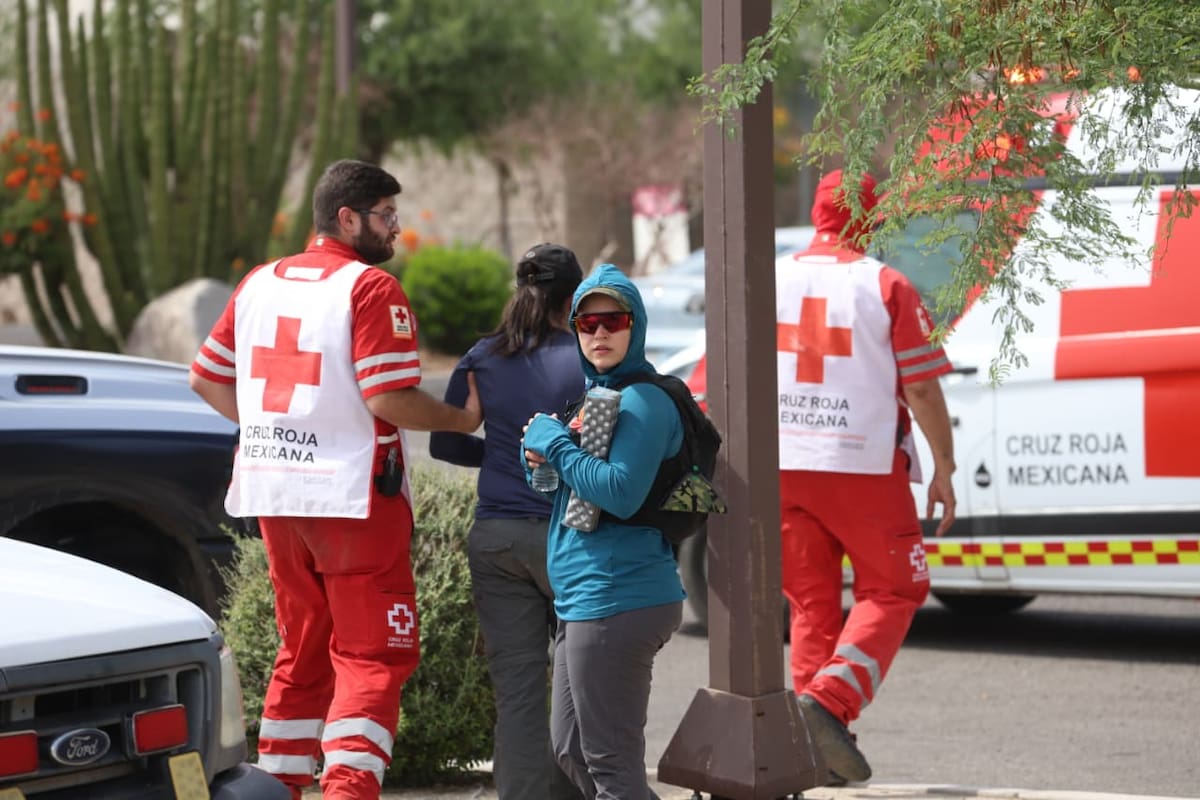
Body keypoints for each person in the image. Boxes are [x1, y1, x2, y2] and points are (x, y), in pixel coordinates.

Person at [189, 159, 482, 800]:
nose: (396, 229)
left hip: (273, 491)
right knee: (374, 654)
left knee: (304, 649)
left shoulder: (258, 283)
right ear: (347, 218)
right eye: (385, 215)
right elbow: (390, 399)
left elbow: (206, 377)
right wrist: (459, 416)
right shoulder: (370, 289)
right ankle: (349, 790)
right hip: (351, 499)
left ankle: (279, 787)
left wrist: (275, 427)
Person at [521, 264, 686, 800]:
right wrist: (543, 463)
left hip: (618, 596)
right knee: (573, 751)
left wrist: (557, 444)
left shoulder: (642, 400)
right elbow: (579, 493)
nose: (599, 334)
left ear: (634, 325)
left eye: (613, 320)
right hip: (584, 599)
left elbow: (619, 491)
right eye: (587, 324)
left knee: (611, 767)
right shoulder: (599, 398)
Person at [428, 243, 586, 800]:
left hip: (496, 539)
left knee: (517, 690)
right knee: (580, 685)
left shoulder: (481, 356)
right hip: (568, 538)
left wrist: (498, 456)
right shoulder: (586, 359)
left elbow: (445, 443)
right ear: (572, 298)